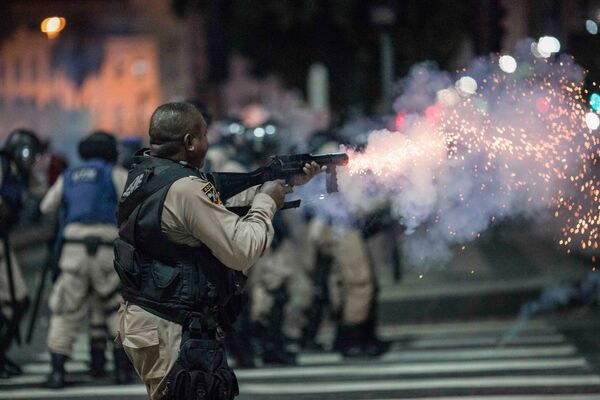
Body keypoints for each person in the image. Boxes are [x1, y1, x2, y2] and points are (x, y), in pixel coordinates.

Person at [114, 102, 320, 400]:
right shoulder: (186, 187)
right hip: (172, 324)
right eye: (204, 135)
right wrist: (266, 203)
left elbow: (211, 208)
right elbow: (242, 249)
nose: (208, 143)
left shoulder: (146, 174)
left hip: (151, 317)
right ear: (189, 141)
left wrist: (284, 184)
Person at [41, 131, 131, 388]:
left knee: (66, 310)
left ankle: (58, 370)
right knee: (116, 307)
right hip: (106, 249)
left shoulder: (68, 177)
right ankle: (122, 370)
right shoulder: (114, 173)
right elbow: (134, 202)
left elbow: (47, 206)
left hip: (73, 250)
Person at [0, 128, 42, 378]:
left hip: (3, 240)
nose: (30, 159)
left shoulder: (19, 174)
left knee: (17, 301)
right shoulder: (3, 167)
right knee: (15, 301)